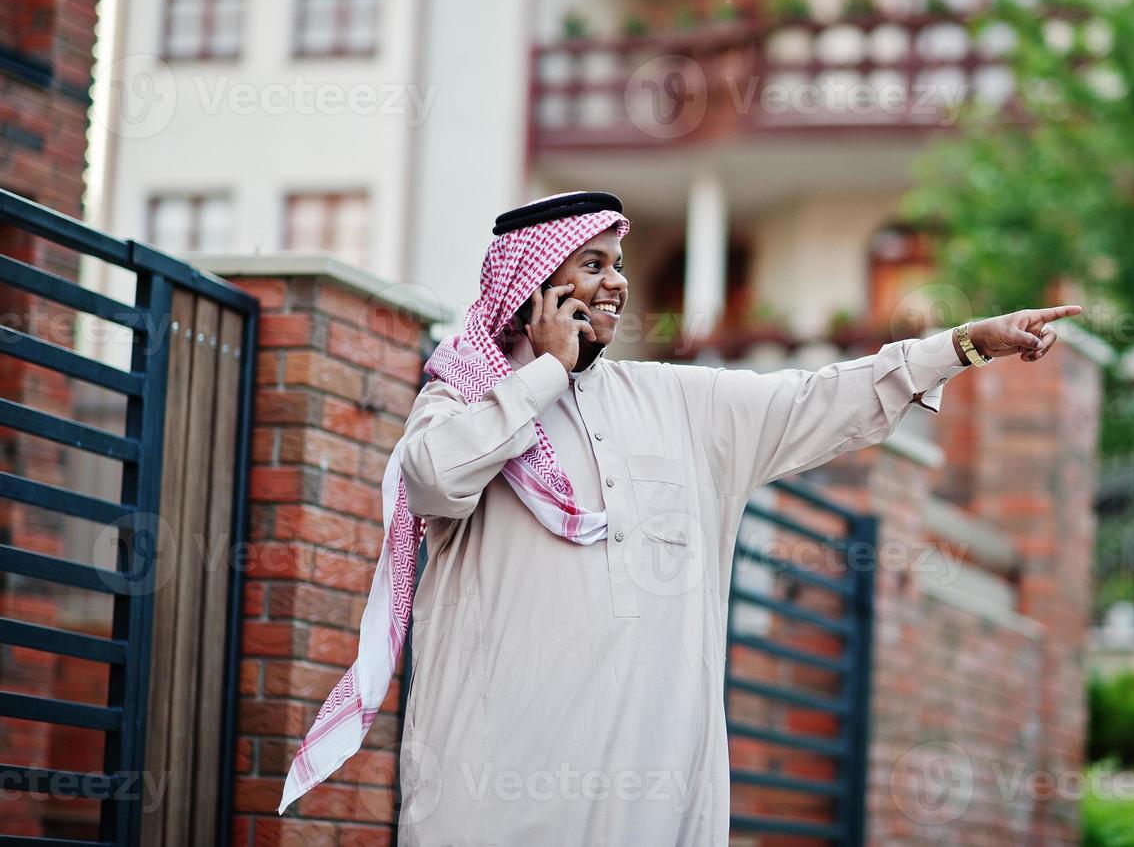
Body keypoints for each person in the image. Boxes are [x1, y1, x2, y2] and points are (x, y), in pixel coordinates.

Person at [278, 190, 1081, 844]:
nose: (615, 283)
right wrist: (543, 376)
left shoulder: (673, 402)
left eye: (619, 265)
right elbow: (430, 481)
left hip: (649, 793)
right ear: (530, 285)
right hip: (494, 791)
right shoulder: (463, 400)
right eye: (591, 264)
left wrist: (963, 346)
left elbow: (818, 396)